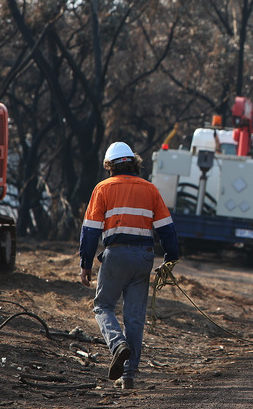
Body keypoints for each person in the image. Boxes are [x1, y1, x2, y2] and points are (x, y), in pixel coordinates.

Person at [79, 141, 179, 389]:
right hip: (144, 258)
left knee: (103, 306)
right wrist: (170, 257)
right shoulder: (150, 189)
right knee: (134, 319)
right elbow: (167, 229)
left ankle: (117, 344)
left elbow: (90, 231)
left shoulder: (102, 189)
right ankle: (129, 376)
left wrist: (85, 264)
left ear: (109, 166)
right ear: (133, 163)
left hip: (115, 256)